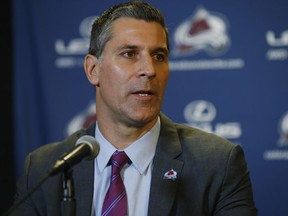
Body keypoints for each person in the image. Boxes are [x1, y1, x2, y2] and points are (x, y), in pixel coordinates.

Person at [9, 1, 257, 215]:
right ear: (93, 70)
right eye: (129, 54)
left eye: (159, 56)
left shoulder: (217, 164)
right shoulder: (45, 169)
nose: (149, 70)